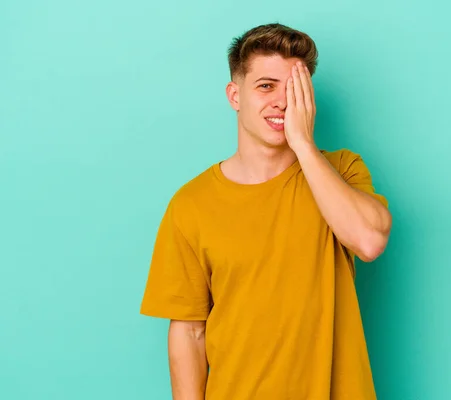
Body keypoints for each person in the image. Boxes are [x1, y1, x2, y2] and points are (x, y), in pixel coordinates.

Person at [139, 22, 392, 400]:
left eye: (293, 87)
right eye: (266, 86)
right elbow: (189, 332)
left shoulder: (342, 170)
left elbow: (369, 241)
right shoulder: (191, 204)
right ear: (234, 95)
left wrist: (303, 145)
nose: (282, 101)